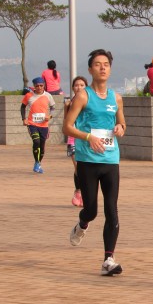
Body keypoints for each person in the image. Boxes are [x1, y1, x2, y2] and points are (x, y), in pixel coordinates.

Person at [63, 49, 127, 277]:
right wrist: (89, 137)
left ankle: (108, 259)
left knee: (112, 209)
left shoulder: (116, 98)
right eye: (98, 64)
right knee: (91, 210)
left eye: (106, 64)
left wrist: (120, 128)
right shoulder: (83, 96)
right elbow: (67, 127)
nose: (102, 68)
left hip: (110, 159)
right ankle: (82, 223)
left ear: (110, 69)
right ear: (90, 69)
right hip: (87, 161)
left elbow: (122, 124)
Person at [20, 77, 55, 173]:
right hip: (32, 124)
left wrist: (50, 116)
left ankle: (38, 163)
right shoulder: (29, 95)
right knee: (36, 142)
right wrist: (24, 119)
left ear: (44, 85)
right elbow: (22, 107)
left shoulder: (48, 96)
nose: (39, 87)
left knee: (42, 146)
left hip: (44, 125)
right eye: (37, 86)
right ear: (34, 86)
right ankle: (36, 162)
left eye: (41, 85)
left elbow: (52, 107)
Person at [63, 76, 89, 207]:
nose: (79, 87)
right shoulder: (70, 103)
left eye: (82, 85)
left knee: (85, 168)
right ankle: (79, 192)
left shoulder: (89, 102)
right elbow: (66, 123)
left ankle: (83, 193)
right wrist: (66, 108)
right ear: (73, 88)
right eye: (76, 85)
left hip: (86, 138)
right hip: (73, 139)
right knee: (78, 167)